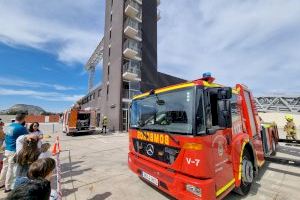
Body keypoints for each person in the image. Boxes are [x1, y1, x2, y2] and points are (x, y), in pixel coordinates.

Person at [0, 113, 28, 192]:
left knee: (4, 168)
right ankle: (8, 187)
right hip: (13, 151)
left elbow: (6, 137)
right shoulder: (21, 128)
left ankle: (1, 183)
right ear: (23, 119)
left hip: (7, 149)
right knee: (11, 169)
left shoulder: (9, 126)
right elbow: (28, 137)